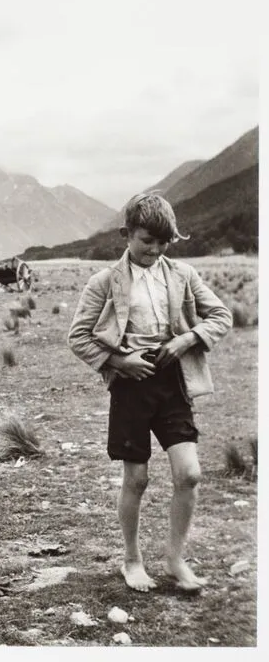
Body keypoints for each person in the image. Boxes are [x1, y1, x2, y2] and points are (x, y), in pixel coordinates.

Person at [67, 193, 231, 593]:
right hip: (130, 387)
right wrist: (119, 363)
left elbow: (221, 316)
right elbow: (78, 337)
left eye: (163, 243)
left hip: (173, 384)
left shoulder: (182, 275)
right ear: (126, 235)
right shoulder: (104, 282)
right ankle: (132, 559)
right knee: (136, 479)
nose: (154, 250)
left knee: (189, 474)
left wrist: (187, 339)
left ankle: (175, 559)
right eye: (146, 241)